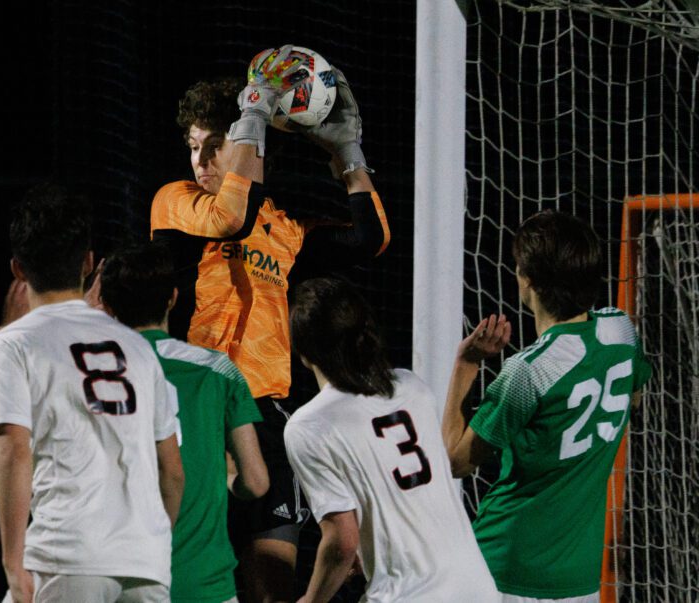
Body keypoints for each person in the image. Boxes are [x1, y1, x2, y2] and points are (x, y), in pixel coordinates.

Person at [150, 46, 390, 599]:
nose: (203, 162)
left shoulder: (285, 230)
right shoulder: (177, 204)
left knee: (272, 583)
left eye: (217, 146)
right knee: (190, 576)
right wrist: (253, 114)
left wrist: (348, 152)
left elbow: (370, 238)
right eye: (195, 147)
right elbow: (230, 216)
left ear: (252, 150)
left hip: (268, 412)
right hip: (198, 406)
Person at [0, 184, 184, 603]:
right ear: (89, 263)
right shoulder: (138, 350)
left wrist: (12, 562)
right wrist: (151, 541)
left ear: (17, 269)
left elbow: (14, 450)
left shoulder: (11, 345)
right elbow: (173, 471)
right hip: (146, 559)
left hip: (67, 554)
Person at [442, 210, 652, 602]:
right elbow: (633, 396)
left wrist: (465, 365)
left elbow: (455, 462)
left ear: (528, 281)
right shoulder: (622, 331)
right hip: (580, 580)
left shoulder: (528, 371)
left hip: (503, 571)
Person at [283, 277, 500, 602]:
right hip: (476, 588)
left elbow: (342, 541)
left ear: (302, 352)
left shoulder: (309, 425)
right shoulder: (410, 386)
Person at [99, 243, 270, 603]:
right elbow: (256, 482)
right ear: (173, 298)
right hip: (205, 584)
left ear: (108, 308)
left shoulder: (95, 374)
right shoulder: (218, 369)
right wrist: (227, 479)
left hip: (123, 581)